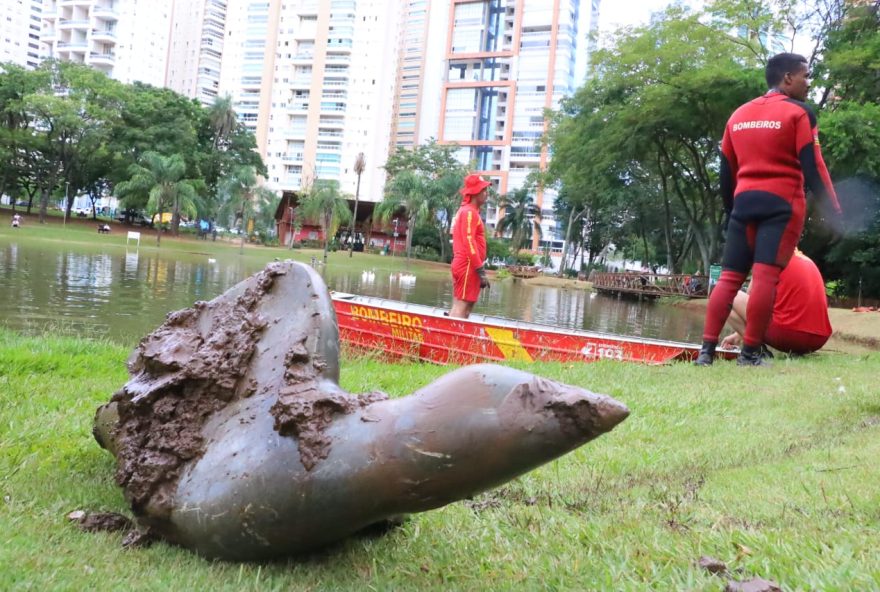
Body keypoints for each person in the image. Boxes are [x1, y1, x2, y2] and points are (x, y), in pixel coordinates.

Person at [696, 52, 841, 366]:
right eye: (806, 76)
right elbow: (813, 166)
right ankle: (749, 354)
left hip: (744, 205)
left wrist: (732, 211)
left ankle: (705, 353)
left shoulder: (737, 116)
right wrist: (834, 208)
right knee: (764, 277)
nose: (809, 83)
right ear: (787, 77)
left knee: (729, 279)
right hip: (781, 205)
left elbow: (726, 173)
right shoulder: (800, 113)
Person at [719, 250, 832, 355]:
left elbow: (753, 302)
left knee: (725, 293)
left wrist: (743, 334)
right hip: (818, 339)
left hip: (789, 335)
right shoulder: (806, 260)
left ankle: (754, 348)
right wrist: (737, 335)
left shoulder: (768, 259)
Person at [450, 174, 491, 319]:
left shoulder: (468, 211)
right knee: (462, 306)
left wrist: (479, 269)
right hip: (467, 264)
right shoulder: (469, 212)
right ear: (475, 193)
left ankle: (455, 338)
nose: (487, 194)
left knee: (465, 307)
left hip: (469, 264)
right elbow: (468, 241)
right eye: (484, 190)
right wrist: (480, 270)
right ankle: (452, 339)